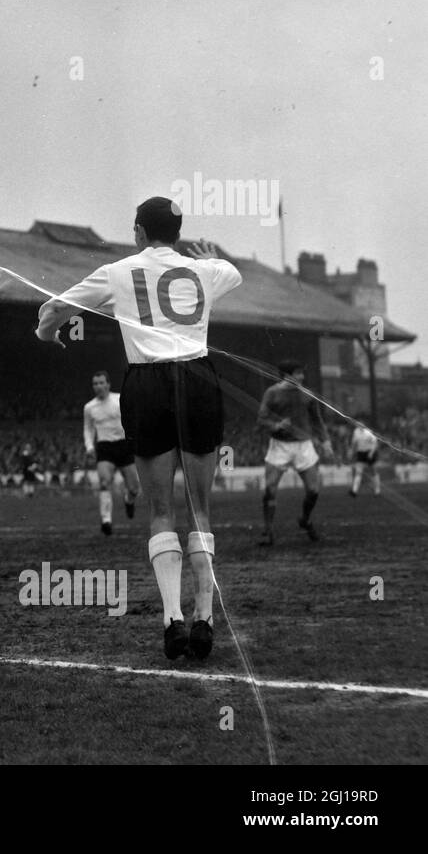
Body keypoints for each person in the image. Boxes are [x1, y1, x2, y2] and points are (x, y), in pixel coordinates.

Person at [36, 196, 242, 661]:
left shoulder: (118, 270)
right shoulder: (205, 272)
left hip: (146, 383)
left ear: (139, 231)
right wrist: (204, 260)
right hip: (197, 377)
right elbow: (232, 273)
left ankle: (172, 619)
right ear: (177, 232)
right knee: (201, 509)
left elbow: (57, 307)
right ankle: (204, 619)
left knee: (160, 510)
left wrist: (46, 333)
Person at [258, 361, 333, 544]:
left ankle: (305, 520)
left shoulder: (308, 395)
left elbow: (317, 421)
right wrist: (276, 426)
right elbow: (261, 419)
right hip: (280, 446)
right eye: (298, 373)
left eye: (302, 373)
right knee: (270, 489)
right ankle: (268, 531)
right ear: (287, 375)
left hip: (304, 446)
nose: (302, 377)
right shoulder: (272, 393)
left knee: (314, 490)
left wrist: (326, 441)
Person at [83, 371, 139, 535]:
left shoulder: (119, 400)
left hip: (123, 446)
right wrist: (89, 447)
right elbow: (88, 429)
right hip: (105, 447)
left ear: (108, 384)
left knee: (134, 488)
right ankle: (106, 520)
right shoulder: (89, 407)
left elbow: (131, 419)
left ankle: (129, 500)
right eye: (95, 383)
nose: (98, 386)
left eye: (101, 383)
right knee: (104, 482)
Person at [349, 423, 381, 497]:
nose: (360, 425)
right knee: (358, 471)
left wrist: (371, 453)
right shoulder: (356, 432)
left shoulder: (369, 432)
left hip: (369, 452)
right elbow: (354, 443)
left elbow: (374, 444)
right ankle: (354, 491)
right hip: (360, 453)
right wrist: (351, 451)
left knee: (374, 471)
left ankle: (377, 490)